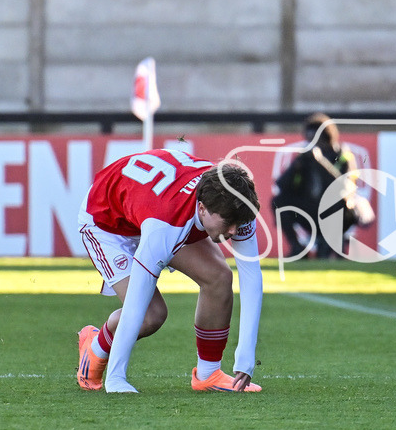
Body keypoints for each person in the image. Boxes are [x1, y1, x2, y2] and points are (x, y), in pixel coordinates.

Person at [77, 148, 264, 393]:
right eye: (227, 223)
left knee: (218, 277)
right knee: (150, 315)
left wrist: (246, 357)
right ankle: (95, 347)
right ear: (202, 208)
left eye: (238, 223)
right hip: (107, 223)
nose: (233, 231)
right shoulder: (165, 225)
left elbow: (251, 277)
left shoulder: (235, 203)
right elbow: (136, 302)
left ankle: (208, 374)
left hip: (153, 207)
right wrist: (116, 379)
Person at [271, 113, 374, 259]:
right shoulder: (305, 156)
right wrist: (297, 165)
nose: (312, 143)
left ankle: (332, 245)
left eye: (316, 139)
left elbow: (344, 186)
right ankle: (297, 248)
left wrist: (320, 163)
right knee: (278, 201)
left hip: (337, 212)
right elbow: (281, 185)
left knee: (339, 202)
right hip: (310, 211)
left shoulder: (343, 155)